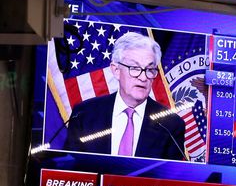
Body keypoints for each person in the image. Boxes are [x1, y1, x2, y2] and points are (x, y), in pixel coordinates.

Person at [64, 32, 186, 161]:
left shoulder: (171, 124)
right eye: (134, 68)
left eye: (150, 70)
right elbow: (71, 168)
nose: (143, 77)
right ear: (116, 70)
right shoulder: (84, 114)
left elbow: (171, 177)